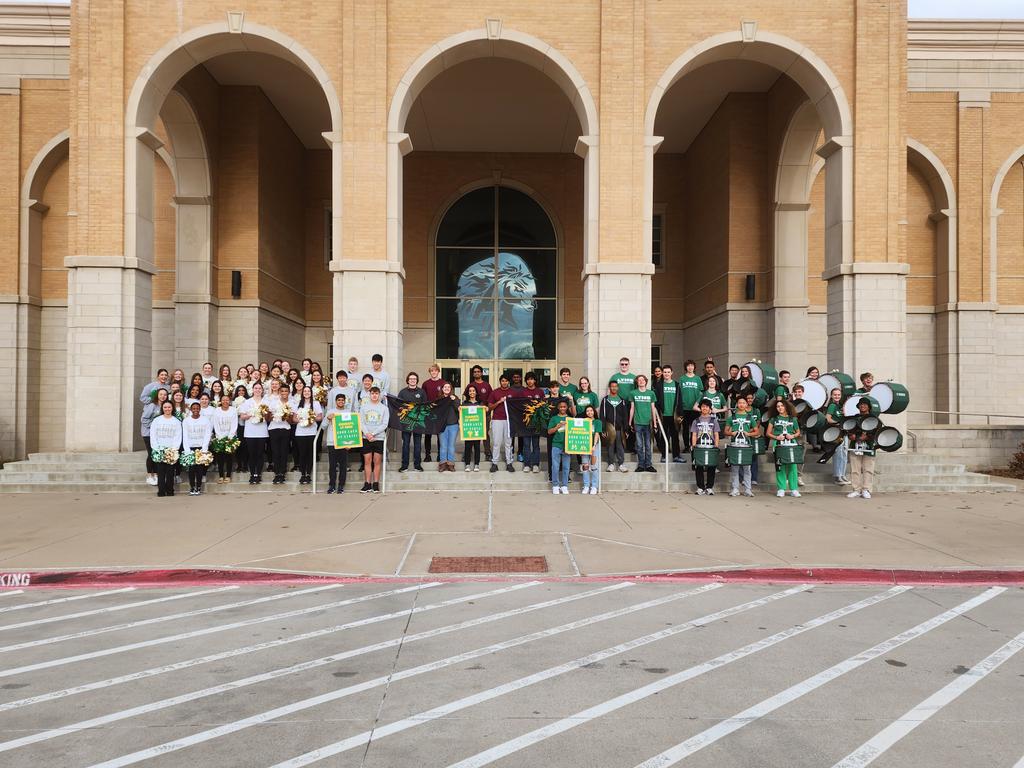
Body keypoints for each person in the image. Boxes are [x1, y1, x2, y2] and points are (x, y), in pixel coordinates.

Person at [725, 396, 760, 497]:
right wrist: (731, 433)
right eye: (739, 403)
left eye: (743, 403)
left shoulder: (750, 418)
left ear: (746, 404)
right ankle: (735, 489)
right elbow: (725, 431)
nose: (741, 404)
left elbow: (757, 431)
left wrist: (749, 434)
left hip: (746, 445)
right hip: (735, 445)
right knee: (735, 468)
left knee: (747, 468)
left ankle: (748, 489)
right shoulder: (732, 417)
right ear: (737, 405)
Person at [767, 398, 802, 498]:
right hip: (779, 444)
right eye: (778, 406)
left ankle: (794, 489)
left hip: (791, 443)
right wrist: (776, 437)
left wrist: (793, 436)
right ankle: (781, 489)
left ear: (786, 406)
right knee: (780, 466)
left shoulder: (793, 419)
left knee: (792, 466)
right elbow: (768, 433)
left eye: (782, 406)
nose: (780, 408)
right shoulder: (773, 419)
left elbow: (798, 432)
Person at [239, 381, 270, 484]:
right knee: (252, 454)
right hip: (250, 432)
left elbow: (269, 417)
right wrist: (252, 414)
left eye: (259, 388)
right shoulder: (247, 402)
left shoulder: (266, 402)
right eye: (255, 388)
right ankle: (253, 474)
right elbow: (242, 416)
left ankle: (258, 474)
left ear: (262, 390)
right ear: (252, 390)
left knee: (260, 453)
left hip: (262, 431)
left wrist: (262, 414)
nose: (257, 390)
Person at [150, 400, 183, 497]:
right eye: (165, 407)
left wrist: (173, 449)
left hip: (171, 451)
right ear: (162, 408)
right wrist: (156, 448)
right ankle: (161, 491)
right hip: (159, 449)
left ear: (172, 408)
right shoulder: (157, 420)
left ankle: (170, 490)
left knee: (170, 472)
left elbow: (178, 436)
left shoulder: (176, 421)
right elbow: (153, 435)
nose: (167, 409)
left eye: (169, 407)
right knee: (160, 472)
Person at [359, 386, 388, 493]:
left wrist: (373, 433)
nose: (374, 395)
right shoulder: (364, 407)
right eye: (372, 393)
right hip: (366, 437)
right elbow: (361, 422)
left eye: (376, 393)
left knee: (377, 461)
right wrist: (367, 433)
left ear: (379, 395)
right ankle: (367, 483)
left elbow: (385, 424)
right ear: (369, 394)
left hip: (378, 438)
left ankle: (375, 483)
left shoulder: (384, 408)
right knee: (367, 461)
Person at [847, 398, 876, 499]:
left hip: (869, 446)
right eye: (861, 404)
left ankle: (866, 489)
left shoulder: (874, 418)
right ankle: (856, 490)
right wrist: (851, 436)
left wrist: (867, 437)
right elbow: (848, 428)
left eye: (864, 404)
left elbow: (877, 431)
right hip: (855, 446)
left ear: (869, 406)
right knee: (855, 469)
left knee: (868, 468)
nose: (862, 406)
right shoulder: (854, 418)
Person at [293, 385, 323, 485]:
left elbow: (320, 417)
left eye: (308, 391)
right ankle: (302, 474)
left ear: (311, 393)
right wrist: (301, 420)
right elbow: (294, 419)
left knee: (310, 454)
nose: (306, 393)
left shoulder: (316, 403)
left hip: (311, 432)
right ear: (302, 393)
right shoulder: (297, 403)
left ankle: (308, 474)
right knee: (302, 454)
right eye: (304, 391)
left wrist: (311, 419)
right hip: (300, 432)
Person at [653, 364, 683, 463]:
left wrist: (680, 414)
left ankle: (676, 456)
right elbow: (656, 402)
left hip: (674, 415)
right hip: (663, 415)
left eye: (668, 372)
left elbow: (680, 400)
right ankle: (664, 455)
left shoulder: (677, 385)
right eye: (664, 372)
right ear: (662, 373)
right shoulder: (659, 385)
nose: (666, 374)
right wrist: (656, 415)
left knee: (675, 436)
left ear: (672, 373)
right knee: (663, 436)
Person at [690, 399, 720, 495]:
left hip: (711, 446)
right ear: (700, 408)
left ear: (710, 409)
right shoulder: (696, 421)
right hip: (699, 446)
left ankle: (709, 487)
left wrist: (716, 445)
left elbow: (716, 434)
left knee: (711, 467)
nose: (705, 408)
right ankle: (700, 487)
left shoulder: (714, 420)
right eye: (703, 406)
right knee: (699, 467)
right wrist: (694, 446)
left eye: (707, 406)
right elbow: (694, 434)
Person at [182, 400, 212, 495]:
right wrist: (187, 450)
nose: (195, 410)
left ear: (200, 409)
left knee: (199, 468)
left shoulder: (205, 420)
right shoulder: (186, 420)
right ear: (191, 409)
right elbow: (185, 436)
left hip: (201, 447)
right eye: (193, 408)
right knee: (191, 469)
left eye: (197, 408)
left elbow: (207, 435)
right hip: (190, 447)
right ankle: (192, 487)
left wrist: (204, 449)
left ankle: (198, 487)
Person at [397, 372, 426, 472]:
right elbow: (398, 406)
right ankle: (404, 465)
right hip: (406, 422)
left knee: (417, 444)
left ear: (417, 380)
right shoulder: (402, 392)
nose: (412, 380)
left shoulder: (421, 392)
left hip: (418, 422)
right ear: (408, 380)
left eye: (414, 379)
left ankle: (417, 465)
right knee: (406, 444)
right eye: (411, 379)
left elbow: (424, 407)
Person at [486, 374, 515, 473]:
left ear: (508, 382)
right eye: (503, 381)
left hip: (509, 420)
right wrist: (499, 402)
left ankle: (509, 463)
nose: (504, 382)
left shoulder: (512, 392)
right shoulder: (495, 392)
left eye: (506, 381)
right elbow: (489, 407)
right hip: (497, 420)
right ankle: (495, 463)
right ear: (500, 381)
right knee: (497, 443)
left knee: (508, 442)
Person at [822, 387, 851, 485]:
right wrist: (838, 423)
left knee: (844, 454)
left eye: (838, 394)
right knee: (838, 454)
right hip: (835, 433)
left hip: (843, 432)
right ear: (832, 396)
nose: (837, 396)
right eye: (835, 394)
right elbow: (828, 419)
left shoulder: (840, 406)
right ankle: (838, 476)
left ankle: (842, 475)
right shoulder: (832, 406)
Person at [630, 374, 657, 473]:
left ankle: (649, 465)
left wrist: (655, 423)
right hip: (637, 422)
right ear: (637, 382)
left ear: (646, 382)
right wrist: (630, 422)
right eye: (639, 380)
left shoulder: (651, 393)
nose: (641, 381)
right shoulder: (633, 393)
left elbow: (653, 409)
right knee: (640, 445)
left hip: (648, 423)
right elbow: (632, 408)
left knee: (648, 445)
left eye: (643, 380)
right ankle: (641, 465)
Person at [600, 380, 629, 473]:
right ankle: (611, 464)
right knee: (610, 446)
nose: (614, 388)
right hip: (609, 428)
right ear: (609, 387)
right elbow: (602, 415)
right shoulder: (605, 400)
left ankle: (621, 464)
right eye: (612, 386)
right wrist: (603, 429)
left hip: (619, 428)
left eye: (615, 386)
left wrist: (626, 429)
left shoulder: (622, 400)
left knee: (620, 447)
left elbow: (625, 416)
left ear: (618, 388)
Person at [141, 387, 168, 486]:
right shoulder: (152, 405)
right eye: (161, 394)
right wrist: (152, 427)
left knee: (156, 453)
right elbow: (144, 419)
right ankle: (149, 475)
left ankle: (156, 474)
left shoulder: (165, 406)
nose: (163, 396)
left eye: (165, 394)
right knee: (151, 453)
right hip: (148, 433)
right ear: (157, 395)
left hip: (159, 435)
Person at [519, 373, 545, 472]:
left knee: (536, 445)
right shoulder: (522, 392)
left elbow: (544, 406)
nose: (530, 381)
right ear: (526, 381)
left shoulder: (540, 392)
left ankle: (535, 465)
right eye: (528, 379)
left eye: (532, 379)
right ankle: (527, 464)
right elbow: (519, 406)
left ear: (535, 380)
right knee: (526, 445)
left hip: (536, 423)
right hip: (526, 423)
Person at [267, 386, 293, 485]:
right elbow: (268, 418)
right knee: (275, 451)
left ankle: (282, 473)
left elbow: (291, 421)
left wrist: (285, 416)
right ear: (279, 392)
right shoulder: (273, 402)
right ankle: (276, 473)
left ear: (289, 392)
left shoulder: (291, 403)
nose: (284, 392)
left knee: (284, 451)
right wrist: (275, 415)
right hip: (273, 429)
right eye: (282, 391)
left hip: (285, 429)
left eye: (286, 391)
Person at [323, 393, 349, 493]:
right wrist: (328, 419)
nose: (341, 402)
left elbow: (351, 427)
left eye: (342, 400)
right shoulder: (330, 412)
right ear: (336, 401)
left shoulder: (348, 412)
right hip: (332, 442)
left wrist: (350, 443)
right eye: (339, 400)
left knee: (343, 465)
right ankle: (332, 485)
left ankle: (341, 485)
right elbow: (323, 427)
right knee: (332, 465)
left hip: (343, 443)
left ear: (344, 401)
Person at [211, 393, 239, 483]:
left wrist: (230, 437)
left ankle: (228, 475)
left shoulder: (233, 410)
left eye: (227, 400)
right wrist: (219, 436)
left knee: (229, 457)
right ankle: (220, 475)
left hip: (230, 437)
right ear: (220, 401)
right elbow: (215, 424)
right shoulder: (217, 410)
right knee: (220, 458)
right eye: (223, 400)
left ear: (229, 401)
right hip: (219, 437)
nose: (225, 401)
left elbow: (234, 424)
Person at [678, 360, 703, 454]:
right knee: (685, 429)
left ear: (694, 367)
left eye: (692, 365)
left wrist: (697, 404)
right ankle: (686, 446)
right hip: (684, 408)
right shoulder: (682, 379)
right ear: (686, 367)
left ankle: (693, 445)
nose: (690, 367)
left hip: (694, 408)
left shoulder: (697, 379)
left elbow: (701, 392)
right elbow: (679, 394)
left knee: (694, 429)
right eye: (688, 366)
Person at [422, 364, 445, 463]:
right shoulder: (426, 383)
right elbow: (423, 397)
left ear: (438, 371)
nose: (433, 372)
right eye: (432, 371)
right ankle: (428, 455)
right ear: (430, 372)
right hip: (428, 412)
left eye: (435, 371)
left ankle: (440, 455)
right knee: (428, 434)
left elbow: (446, 396)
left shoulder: (443, 382)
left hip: (439, 412)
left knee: (440, 434)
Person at [547, 398, 571, 494]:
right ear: (558, 407)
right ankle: (555, 485)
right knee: (555, 466)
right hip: (556, 445)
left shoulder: (570, 419)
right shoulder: (554, 418)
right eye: (561, 407)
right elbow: (549, 432)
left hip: (568, 446)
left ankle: (564, 485)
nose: (562, 408)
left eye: (564, 407)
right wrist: (558, 426)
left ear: (567, 408)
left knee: (566, 467)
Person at [437, 381, 460, 472]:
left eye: (448, 387)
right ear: (442, 389)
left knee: (451, 445)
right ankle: (442, 464)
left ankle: (451, 464)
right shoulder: (439, 399)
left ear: (451, 389)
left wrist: (454, 400)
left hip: (453, 425)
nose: (447, 388)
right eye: (445, 387)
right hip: (442, 425)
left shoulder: (455, 398)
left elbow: (458, 409)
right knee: (443, 445)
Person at [580, 403, 603, 495]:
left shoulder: (597, 422)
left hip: (594, 446)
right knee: (585, 466)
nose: (589, 412)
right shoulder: (583, 422)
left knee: (594, 466)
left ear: (594, 412)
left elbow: (597, 433)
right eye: (587, 411)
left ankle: (594, 486)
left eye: (591, 410)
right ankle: (586, 486)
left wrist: (594, 445)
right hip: (584, 446)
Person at [462, 385, 484, 472]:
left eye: (473, 391)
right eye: (470, 391)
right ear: (468, 393)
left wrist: (485, 408)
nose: (472, 392)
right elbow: (462, 413)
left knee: (477, 447)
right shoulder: (464, 403)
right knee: (467, 446)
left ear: (476, 392)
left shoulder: (480, 403)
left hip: (477, 428)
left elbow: (484, 412)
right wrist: (460, 408)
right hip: (468, 428)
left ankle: (476, 464)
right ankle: (467, 464)